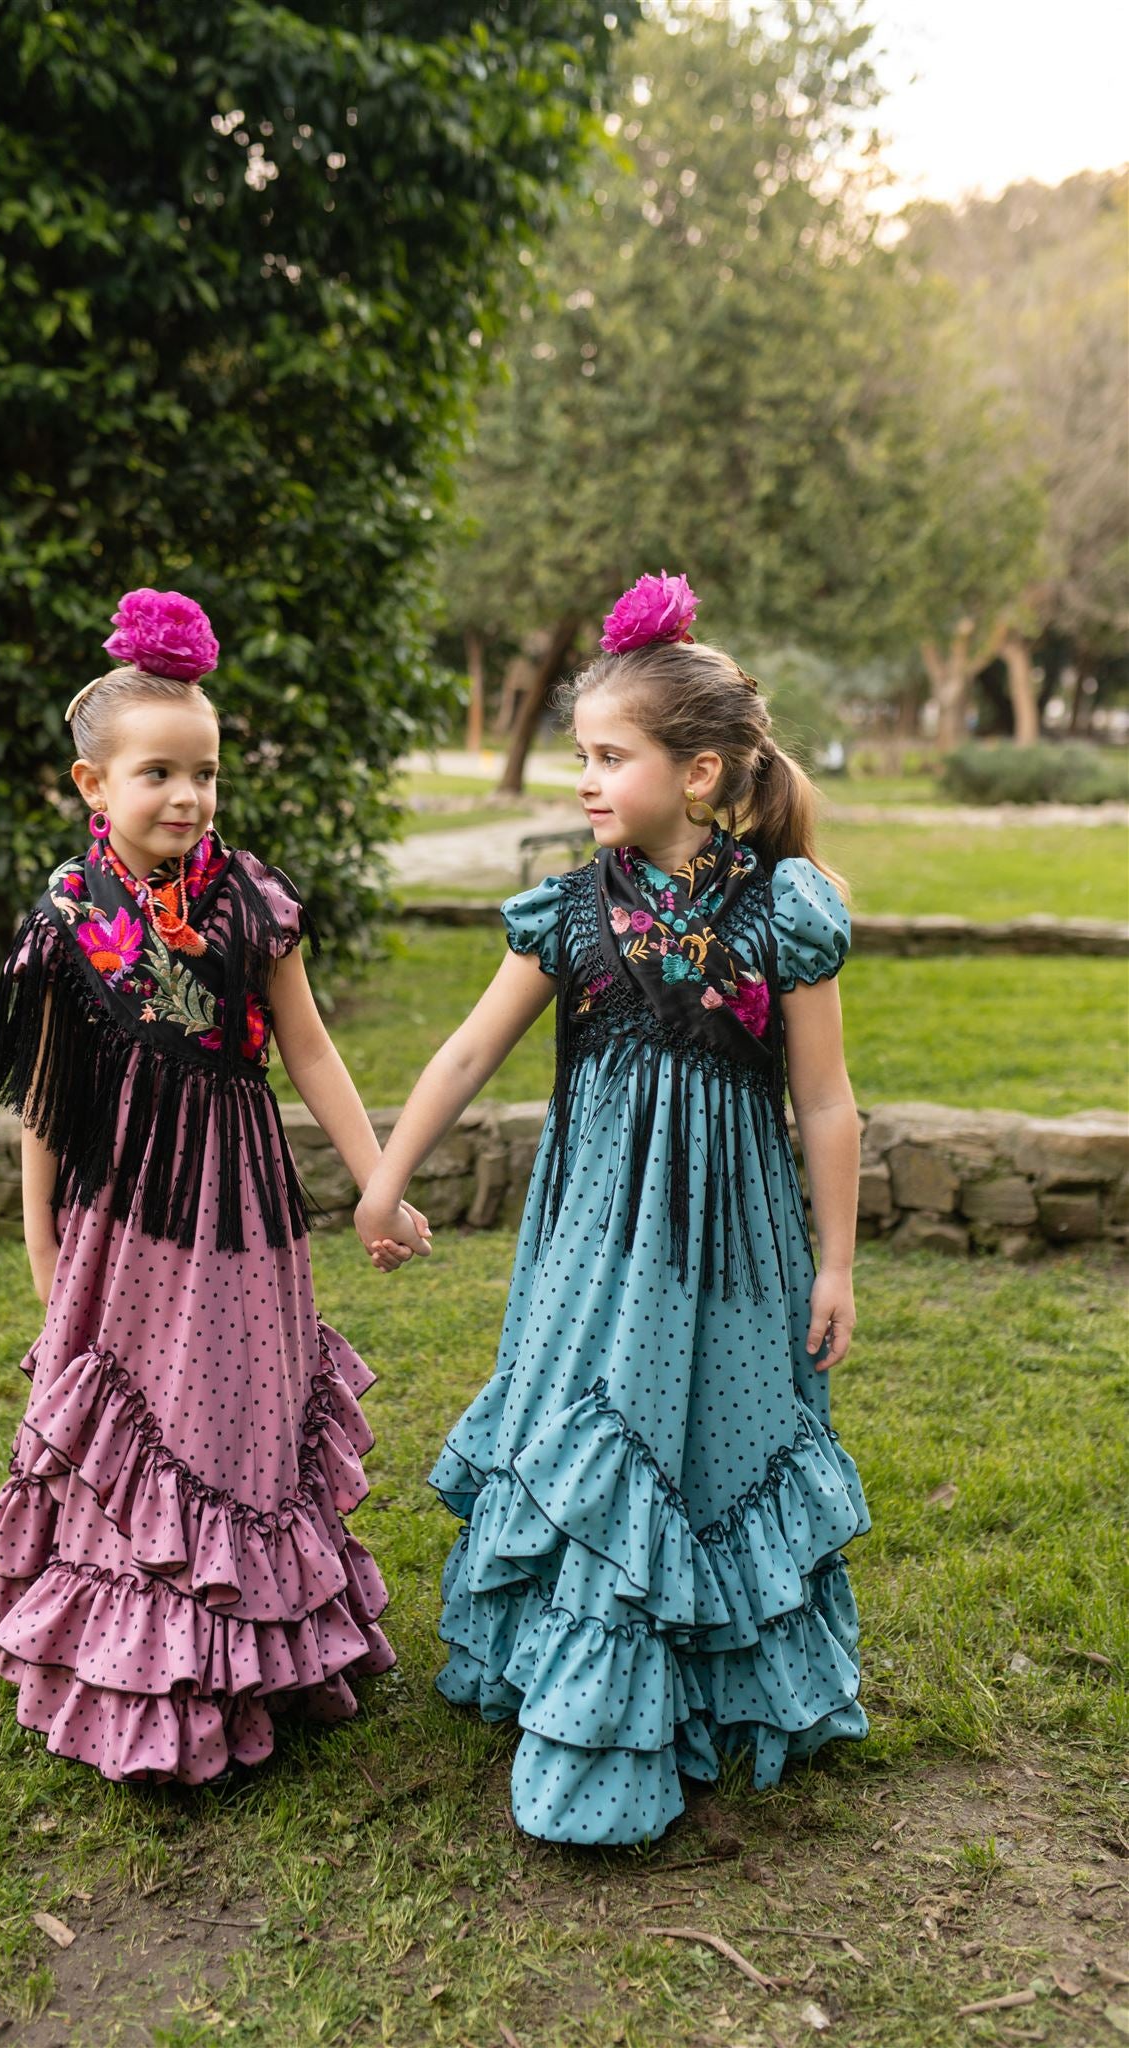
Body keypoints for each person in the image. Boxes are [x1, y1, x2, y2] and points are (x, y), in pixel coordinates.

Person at [356, 571, 870, 1846]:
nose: (582, 779)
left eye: (607, 755)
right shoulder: (571, 913)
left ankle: (727, 1689)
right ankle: (586, 1713)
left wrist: (838, 1263)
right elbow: (469, 1051)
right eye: (580, 753)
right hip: (597, 1247)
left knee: (719, 1442)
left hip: (739, 1255)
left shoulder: (782, 914)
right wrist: (385, 1170)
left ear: (698, 775)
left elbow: (828, 1103)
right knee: (602, 1436)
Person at [0, 587, 427, 1783]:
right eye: (158, 774)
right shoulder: (69, 918)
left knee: (236, 1411)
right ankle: (134, 1663)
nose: (187, 797)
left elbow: (313, 1049)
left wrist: (377, 1178)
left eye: (207, 774)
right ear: (94, 787)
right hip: (122, 1216)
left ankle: (259, 1652)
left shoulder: (252, 901)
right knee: (136, 1415)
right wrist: (41, 1246)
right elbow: (42, 1098)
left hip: (242, 1211)